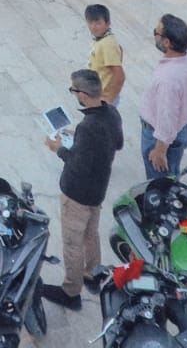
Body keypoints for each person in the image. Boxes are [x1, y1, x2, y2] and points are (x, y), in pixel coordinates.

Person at [40, 68, 124, 312]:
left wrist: (58, 148)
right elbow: (117, 143)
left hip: (77, 193)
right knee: (91, 233)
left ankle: (71, 291)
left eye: (74, 90)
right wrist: (80, 137)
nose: (74, 94)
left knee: (72, 242)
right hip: (98, 189)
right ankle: (93, 273)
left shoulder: (89, 127)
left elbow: (78, 166)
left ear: (83, 95)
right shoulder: (111, 113)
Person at [139, 13, 187, 180]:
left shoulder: (168, 80)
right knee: (171, 175)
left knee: (161, 184)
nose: (154, 35)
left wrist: (159, 151)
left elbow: (167, 117)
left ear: (167, 42)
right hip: (181, 127)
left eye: (156, 32)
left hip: (159, 137)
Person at [84, 5, 126, 104]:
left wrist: (109, 99)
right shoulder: (101, 39)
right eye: (90, 22)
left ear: (108, 24)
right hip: (96, 94)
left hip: (103, 98)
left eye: (98, 23)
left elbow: (119, 75)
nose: (93, 27)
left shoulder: (107, 44)